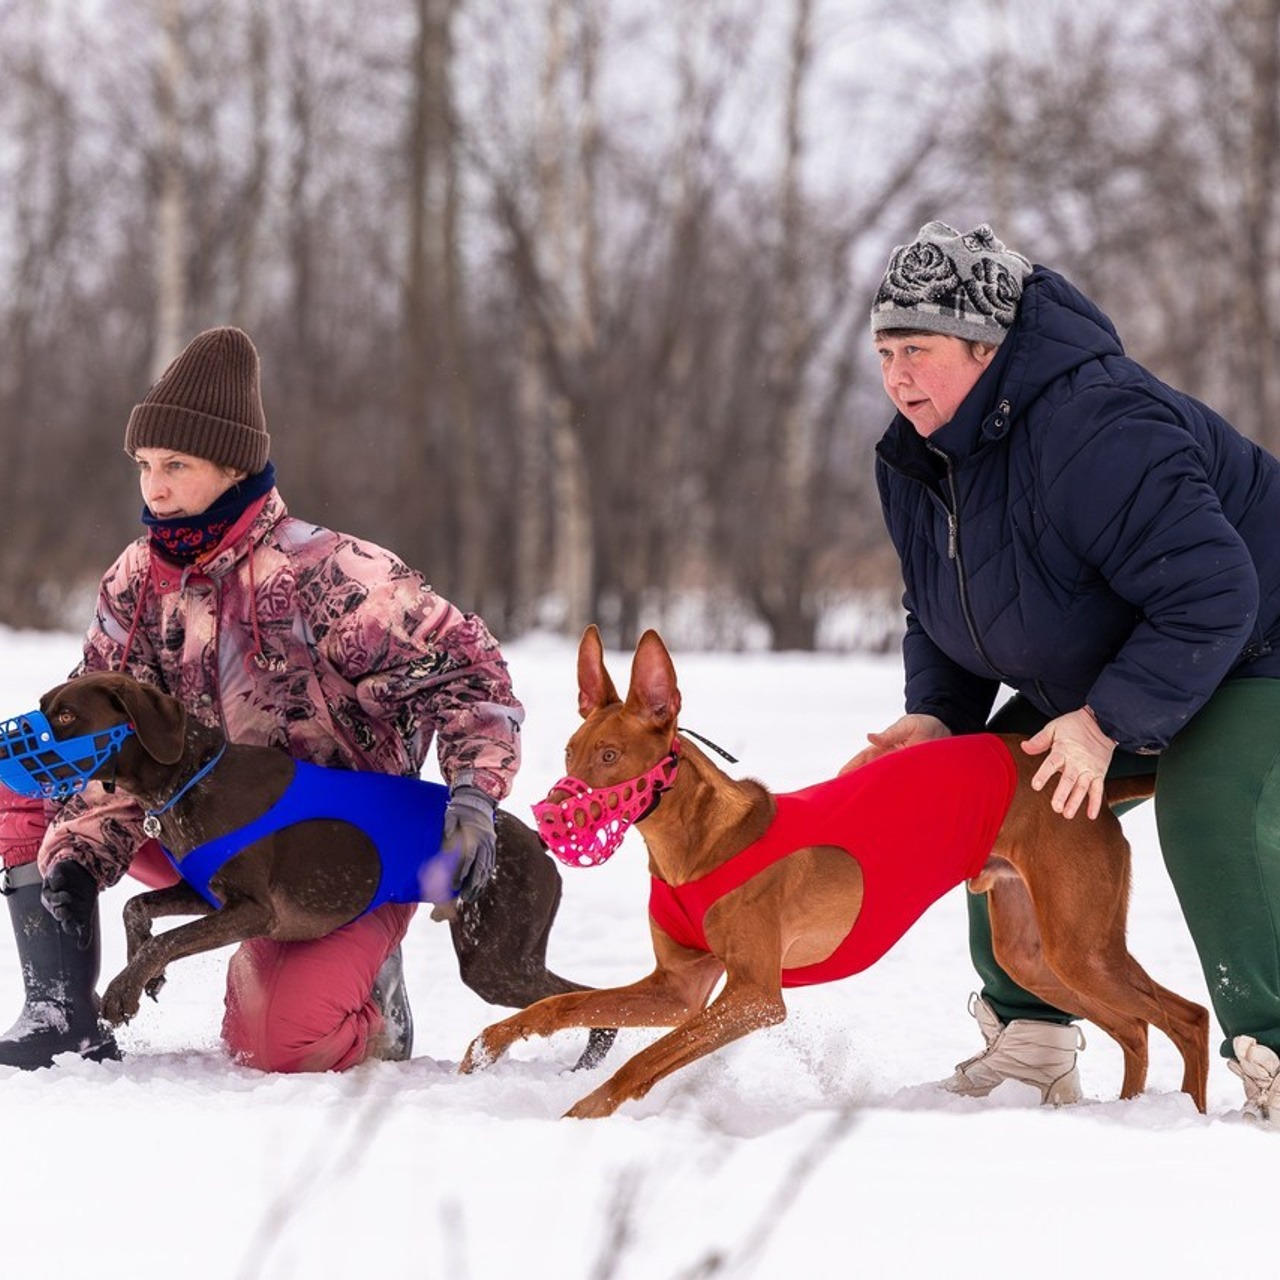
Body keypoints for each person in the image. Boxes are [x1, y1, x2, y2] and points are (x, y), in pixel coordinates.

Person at [0, 326, 523, 1072]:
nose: (154, 487)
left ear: (233, 464)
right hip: (198, 830)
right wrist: (76, 861)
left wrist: (474, 795)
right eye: (145, 465)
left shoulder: (336, 573)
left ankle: (370, 991)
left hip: (330, 855)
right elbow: (104, 742)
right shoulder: (136, 579)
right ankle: (62, 1012)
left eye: (176, 464)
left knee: (280, 1043)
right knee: (25, 773)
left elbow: (474, 680)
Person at [848, 221, 1280, 1122]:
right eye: (885, 350)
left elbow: (1213, 592)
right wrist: (936, 713)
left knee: (1211, 809)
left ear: (984, 346)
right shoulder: (914, 456)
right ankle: (1033, 1038)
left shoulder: (1095, 421)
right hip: (1133, 655)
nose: (897, 376)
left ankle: (1272, 1042)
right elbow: (938, 604)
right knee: (990, 784)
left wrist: (1100, 723)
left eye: (918, 350)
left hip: (1254, 642)